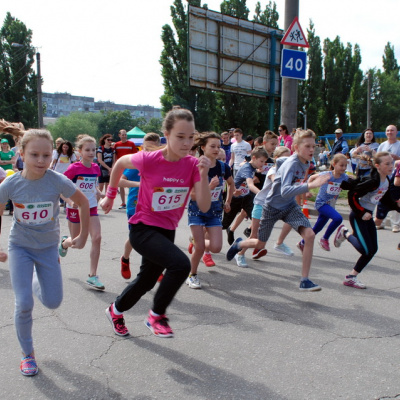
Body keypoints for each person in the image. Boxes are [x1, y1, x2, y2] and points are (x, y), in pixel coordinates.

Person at [101, 107, 211, 338]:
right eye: (180, 137)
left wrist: (202, 174)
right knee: (181, 265)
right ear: (167, 135)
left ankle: (115, 310)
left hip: (166, 230)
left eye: (190, 137)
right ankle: (157, 315)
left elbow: (204, 206)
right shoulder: (150, 159)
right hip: (142, 228)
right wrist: (110, 196)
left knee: (147, 281)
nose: (186, 143)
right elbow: (120, 163)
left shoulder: (192, 165)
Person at [0, 122, 89, 376]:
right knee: (24, 303)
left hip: (49, 247)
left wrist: (82, 235)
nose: (41, 160)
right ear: (21, 154)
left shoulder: (56, 181)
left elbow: (82, 203)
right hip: (20, 248)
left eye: (46, 155)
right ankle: (27, 354)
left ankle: (39, 277)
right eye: (34, 155)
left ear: (54, 155)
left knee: (53, 301)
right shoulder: (10, 185)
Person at [226, 129, 330, 290]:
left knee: (309, 235)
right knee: (260, 244)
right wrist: (309, 185)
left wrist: (308, 183)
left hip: (289, 206)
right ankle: (239, 245)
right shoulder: (292, 163)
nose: (312, 150)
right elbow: (285, 190)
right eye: (307, 146)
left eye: (313, 146)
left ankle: (305, 280)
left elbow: (284, 168)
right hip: (271, 207)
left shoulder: (306, 162)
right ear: (296, 147)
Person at [333, 151, 400, 289]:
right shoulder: (373, 181)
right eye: (387, 164)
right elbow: (352, 195)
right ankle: (345, 233)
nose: (391, 166)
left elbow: (386, 199)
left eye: (392, 163)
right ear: (378, 166)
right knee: (367, 251)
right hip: (358, 216)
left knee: (373, 249)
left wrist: (397, 207)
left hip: (367, 215)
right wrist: (362, 212)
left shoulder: (386, 180)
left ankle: (351, 277)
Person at [186, 132, 234, 289]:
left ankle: (195, 240)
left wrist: (227, 201)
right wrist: (209, 187)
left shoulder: (223, 167)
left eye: (218, 146)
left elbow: (231, 184)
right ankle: (192, 275)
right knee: (200, 248)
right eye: (212, 146)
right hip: (197, 211)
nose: (216, 149)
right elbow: (192, 195)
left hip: (214, 212)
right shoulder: (194, 166)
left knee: (216, 248)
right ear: (202, 147)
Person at [63, 135, 105, 290]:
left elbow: (94, 186)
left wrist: (99, 193)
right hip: (75, 208)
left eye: (94, 149)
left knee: (97, 237)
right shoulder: (73, 168)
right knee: (78, 243)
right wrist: (70, 202)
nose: (91, 152)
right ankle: (64, 243)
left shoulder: (95, 168)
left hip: (91, 207)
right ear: (79, 151)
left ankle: (93, 275)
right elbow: (61, 189)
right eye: (87, 150)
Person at [119, 132, 161, 280]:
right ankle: (125, 259)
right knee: (135, 238)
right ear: (142, 147)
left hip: (153, 207)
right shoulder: (135, 162)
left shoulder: (160, 164)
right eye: (147, 148)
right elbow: (120, 181)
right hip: (134, 207)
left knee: (153, 237)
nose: (150, 152)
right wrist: (139, 184)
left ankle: (153, 269)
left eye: (154, 149)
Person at [222, 148, 268, 267]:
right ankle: (198, 239)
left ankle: (240, 254)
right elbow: (250, 184)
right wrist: (263, 195)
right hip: (234, 198)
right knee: (222, 225)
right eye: (261, 161)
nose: (263, 164)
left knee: (256, 224)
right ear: (254, 158)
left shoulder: (253, 167)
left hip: (246, 198)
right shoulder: (247, 169)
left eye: (264, 162)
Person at [298, 153, 349, 251]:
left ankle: (302, 243)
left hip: (330, 205)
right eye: (341, 165)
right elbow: (312, 177)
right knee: (338, 218)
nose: (343, 168)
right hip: (321, 204)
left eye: (345, 166)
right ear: (334, 164)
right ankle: (324, 239)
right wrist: (307, 189)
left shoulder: (344, 177)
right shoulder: (327, 175)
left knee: (317, 227)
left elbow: (353, 180)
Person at [251, 146, 293, 259]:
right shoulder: (273, 170)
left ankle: (279, 243)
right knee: (255, 235)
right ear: (276, 158)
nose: (287, 161)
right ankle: (240, 253)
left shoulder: (288, 172)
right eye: (284, 158)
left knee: (292, 219)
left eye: (289, 158)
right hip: (261, 203)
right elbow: (275, 180)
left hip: (275, 205)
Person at [376, 125, 400, 232]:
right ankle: (381, 221)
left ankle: (395, 224)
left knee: (395, 198)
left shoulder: (399, 144)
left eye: (392, 130)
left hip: (396, 177)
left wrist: (397, 158)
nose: (390, 132)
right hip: (383, 176)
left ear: (396, 132)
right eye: (388, 130)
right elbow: (377, 159)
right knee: (381, 198)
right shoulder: (382, 145)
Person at [113, 129, 137, 209]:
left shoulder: (131, 144)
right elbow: (115, 156)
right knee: (121, 184)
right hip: (121, 166)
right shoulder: (117, 145)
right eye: (122, 134)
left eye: (125, 134)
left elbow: (135, 155)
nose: (124, 136)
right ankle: (123, 203)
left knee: (131, 184)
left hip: (130, 166)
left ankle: (133, 202)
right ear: (119, 135)